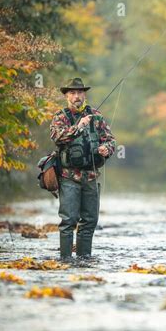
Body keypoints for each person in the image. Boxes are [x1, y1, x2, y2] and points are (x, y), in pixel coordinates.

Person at [50, 78, 115, 261]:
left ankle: (85, 260)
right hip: (68, 176)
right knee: (68, 221)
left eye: (79, 92)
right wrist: (78, 127)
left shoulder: (96, 116)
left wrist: (106, 149)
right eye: (72, 93)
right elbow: (57, 137)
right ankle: (65, 260)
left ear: (84, 94)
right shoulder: (60, 116)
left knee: (90, 222)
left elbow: (110, 139)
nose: (76, 96)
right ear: (66, 96)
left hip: (91, 176)